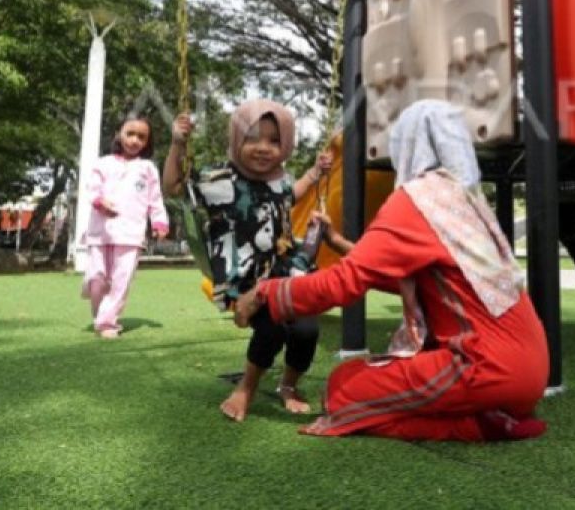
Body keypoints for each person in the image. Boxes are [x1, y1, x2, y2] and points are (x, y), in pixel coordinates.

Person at [233, 99, 549, 443]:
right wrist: (338, 243)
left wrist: (266, 291)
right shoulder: (464, 200)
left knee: (342, 388)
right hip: (532, 369)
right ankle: (490, 410)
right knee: (390, 374)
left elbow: (343, 284)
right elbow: (428, 284)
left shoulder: (415, 201)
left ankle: (479, 424)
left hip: (485, 368)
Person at [163, 100, 334, 421]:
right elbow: (173, 187)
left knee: (307, 330)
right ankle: (246, 387)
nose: (263, 148)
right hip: (244, 277)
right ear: (236, 139)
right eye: (253, 138)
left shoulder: (280, 180)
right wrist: (177, 144)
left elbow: (288, 197)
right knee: (272, 330)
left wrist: (314, 174)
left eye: (274, 140)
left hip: (285, 271)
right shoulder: (218, 180)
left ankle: (288, 385)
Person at [81, 114, 169, 338]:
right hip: (101, 231)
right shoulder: (104, 163)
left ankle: (107, 322)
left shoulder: (148, 168)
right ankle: (98, 304)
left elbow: (155, 198)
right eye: (130, 134)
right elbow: (92, 188)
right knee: (97, 277)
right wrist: (100, 203)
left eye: (141, 136)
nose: (135, 140)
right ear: (119, 135)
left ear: (147, 142)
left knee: (121, 280)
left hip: (131, 233)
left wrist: (159, 222)